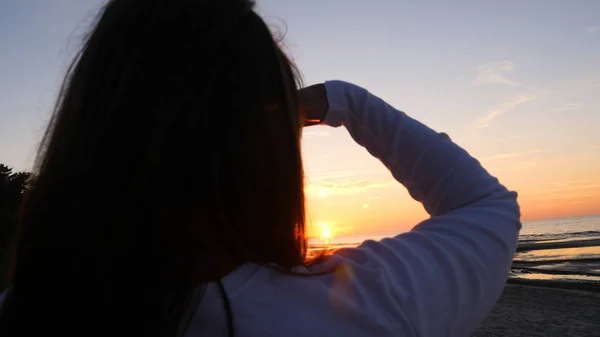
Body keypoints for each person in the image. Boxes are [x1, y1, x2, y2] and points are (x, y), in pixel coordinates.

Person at [0, 0, 521, 336]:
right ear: (264, 150)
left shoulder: (25, 314)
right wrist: (343, 100)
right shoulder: (363, 305)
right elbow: (485, 204)